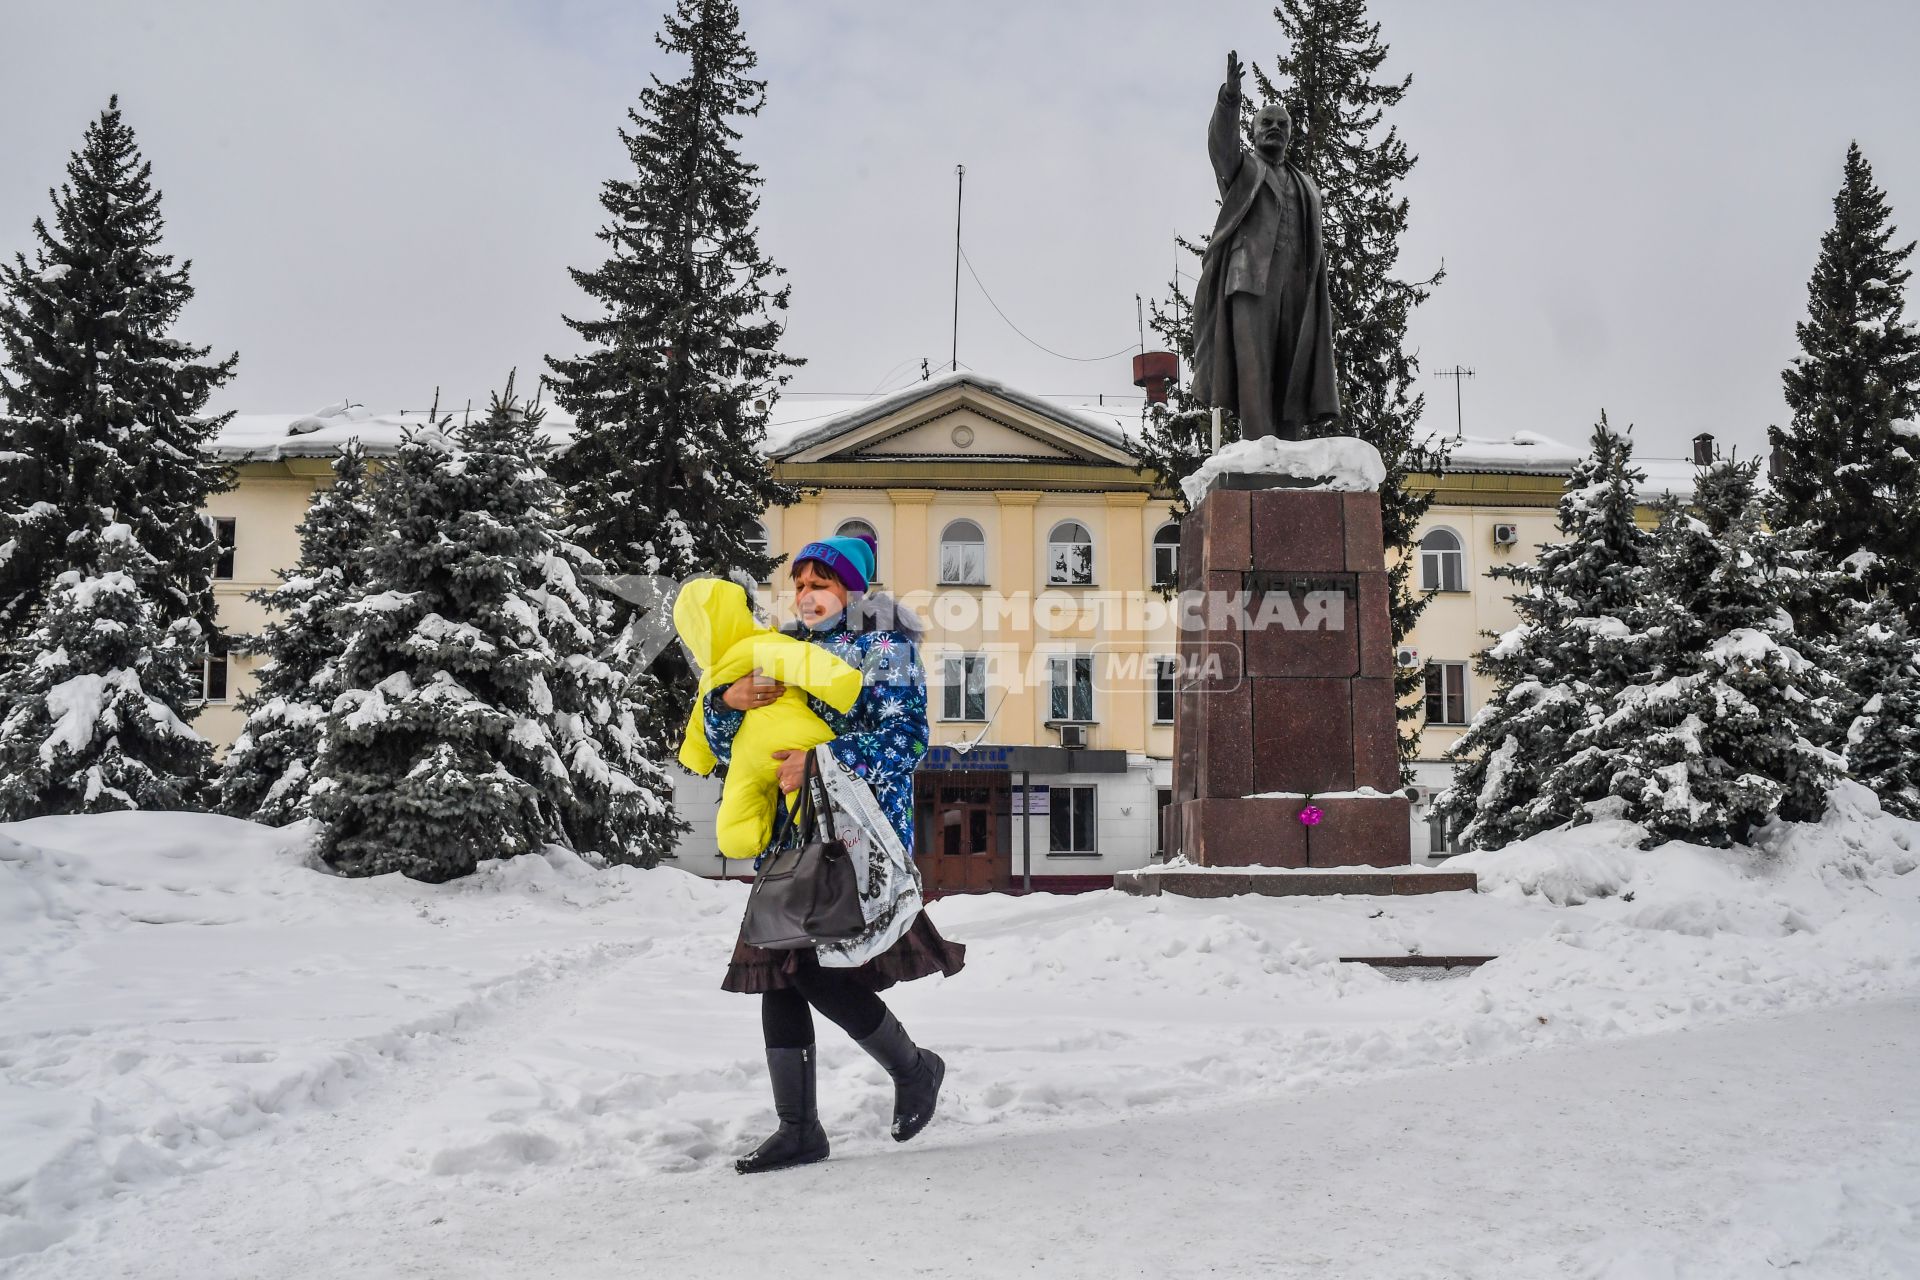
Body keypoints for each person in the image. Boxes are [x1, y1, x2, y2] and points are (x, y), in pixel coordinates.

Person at [701, 532, 966, 1174]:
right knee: (779, 972)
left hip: (854, 833)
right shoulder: (784, 647)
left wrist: (819, 763)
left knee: (818, 971)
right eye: (799, 584)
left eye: (819, 584)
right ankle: (799, 1129)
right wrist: (724, 702)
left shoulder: (884, 643)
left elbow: (905, 740)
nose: (805, 595)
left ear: (852, 590)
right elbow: (728, 744)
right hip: (792, 833)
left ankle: (914, 1068)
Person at [1188, 48, 1341, 441]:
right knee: (1254, 368)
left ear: (1290, 134)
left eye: (1282, 124)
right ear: (1253, 131)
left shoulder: (1305, 185)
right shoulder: (1243, 170)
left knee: (1292, 364)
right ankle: (1259, 446)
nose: (1274, 128)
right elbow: (1220, 147)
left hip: (1296, 285)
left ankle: (1288, 445)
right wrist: (1230, 100)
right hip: (1249, 282)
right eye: (1266, 122)